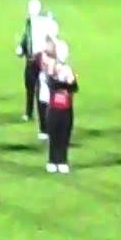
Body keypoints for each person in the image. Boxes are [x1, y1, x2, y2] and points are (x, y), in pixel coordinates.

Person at [45, 40, 79, 174]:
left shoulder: (68, 69)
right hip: (54, 107)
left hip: (66, 108)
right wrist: (65, 83)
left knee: (65, 135)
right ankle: (52, 160)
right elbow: (51, 84)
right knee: (54, 135)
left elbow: (74, 88)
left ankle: (63, 160)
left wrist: (72, 80)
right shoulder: (51, 67)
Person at [15, 0, 47, 121]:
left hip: (40, 62)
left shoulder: (44, 23)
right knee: (29, 87)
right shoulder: (29, 22)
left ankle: (43, 119)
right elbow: (27, 37)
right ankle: (29, 112)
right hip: (30, 60)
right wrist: (21, 48)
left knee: (41, 91)